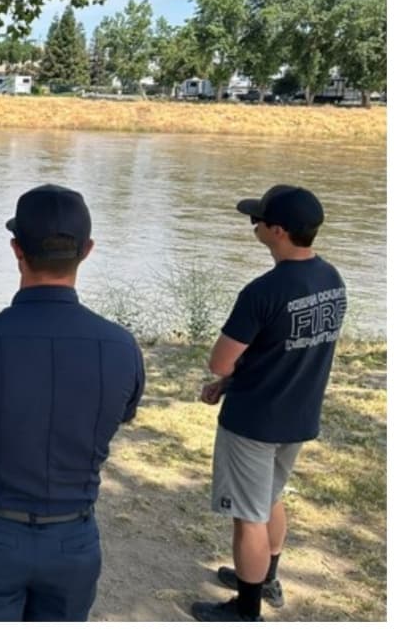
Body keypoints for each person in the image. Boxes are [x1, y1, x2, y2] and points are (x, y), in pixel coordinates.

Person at [0, 184, 144, 621]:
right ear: (86, 251)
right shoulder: (122, 347)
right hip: (73, 537)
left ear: (15, 250)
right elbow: (118, 415)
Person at [190, 185, 347, 623]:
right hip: (298, 414)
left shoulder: (264, 291)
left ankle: (247, 608)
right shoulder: (331, 279)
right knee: (271, 497)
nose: (253, 225)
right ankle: (267, 577)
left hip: (254, 421)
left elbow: (220, 359)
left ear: (277, 231)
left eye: (257, 220)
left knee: (247, 517)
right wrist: (233, 381)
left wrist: (226, 378)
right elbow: (285, 349)